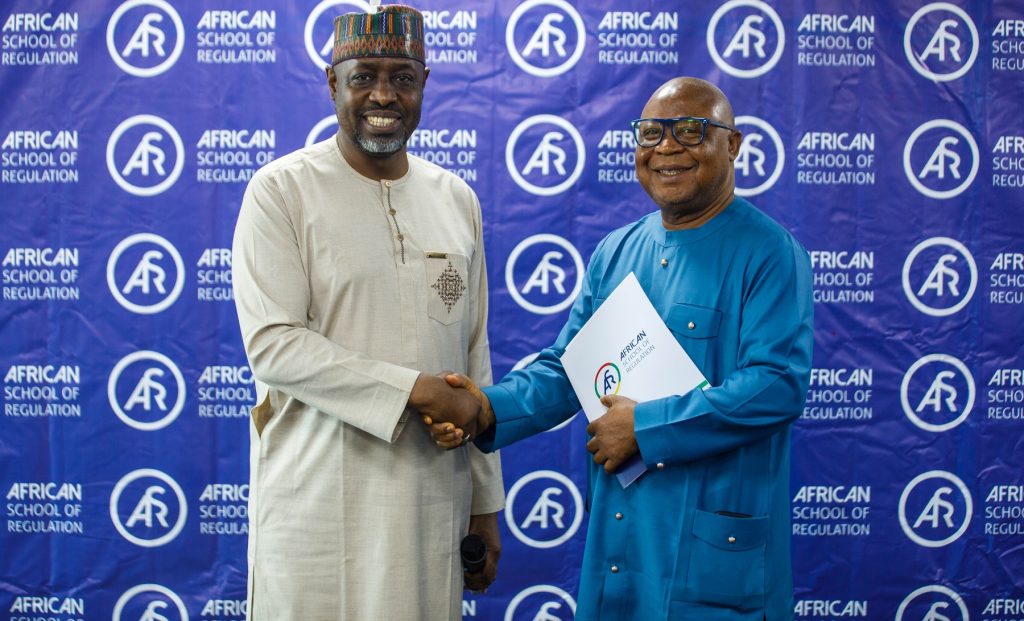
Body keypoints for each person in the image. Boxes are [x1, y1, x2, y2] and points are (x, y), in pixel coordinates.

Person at [428, 77, 814, 620]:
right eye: (651, 133)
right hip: (620, 539)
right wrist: (487, 408)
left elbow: (776, 385)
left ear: (732, 145)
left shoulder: (770, 253)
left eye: (690, 131)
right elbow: (568, 371)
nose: (667, 147)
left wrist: (646, 428)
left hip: (711, 553)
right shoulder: (616, 251)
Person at [231, 5, 503, 620]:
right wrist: (416, 391)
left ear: (424, 84)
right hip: (315, 500)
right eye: (364, 77)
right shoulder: (281, 191)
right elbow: (274, 345)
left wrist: (485, 503)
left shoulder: (456, 199)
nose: (384, 95)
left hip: (431, 502)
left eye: (402, 77)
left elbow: (473, 354)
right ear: (333, 83)